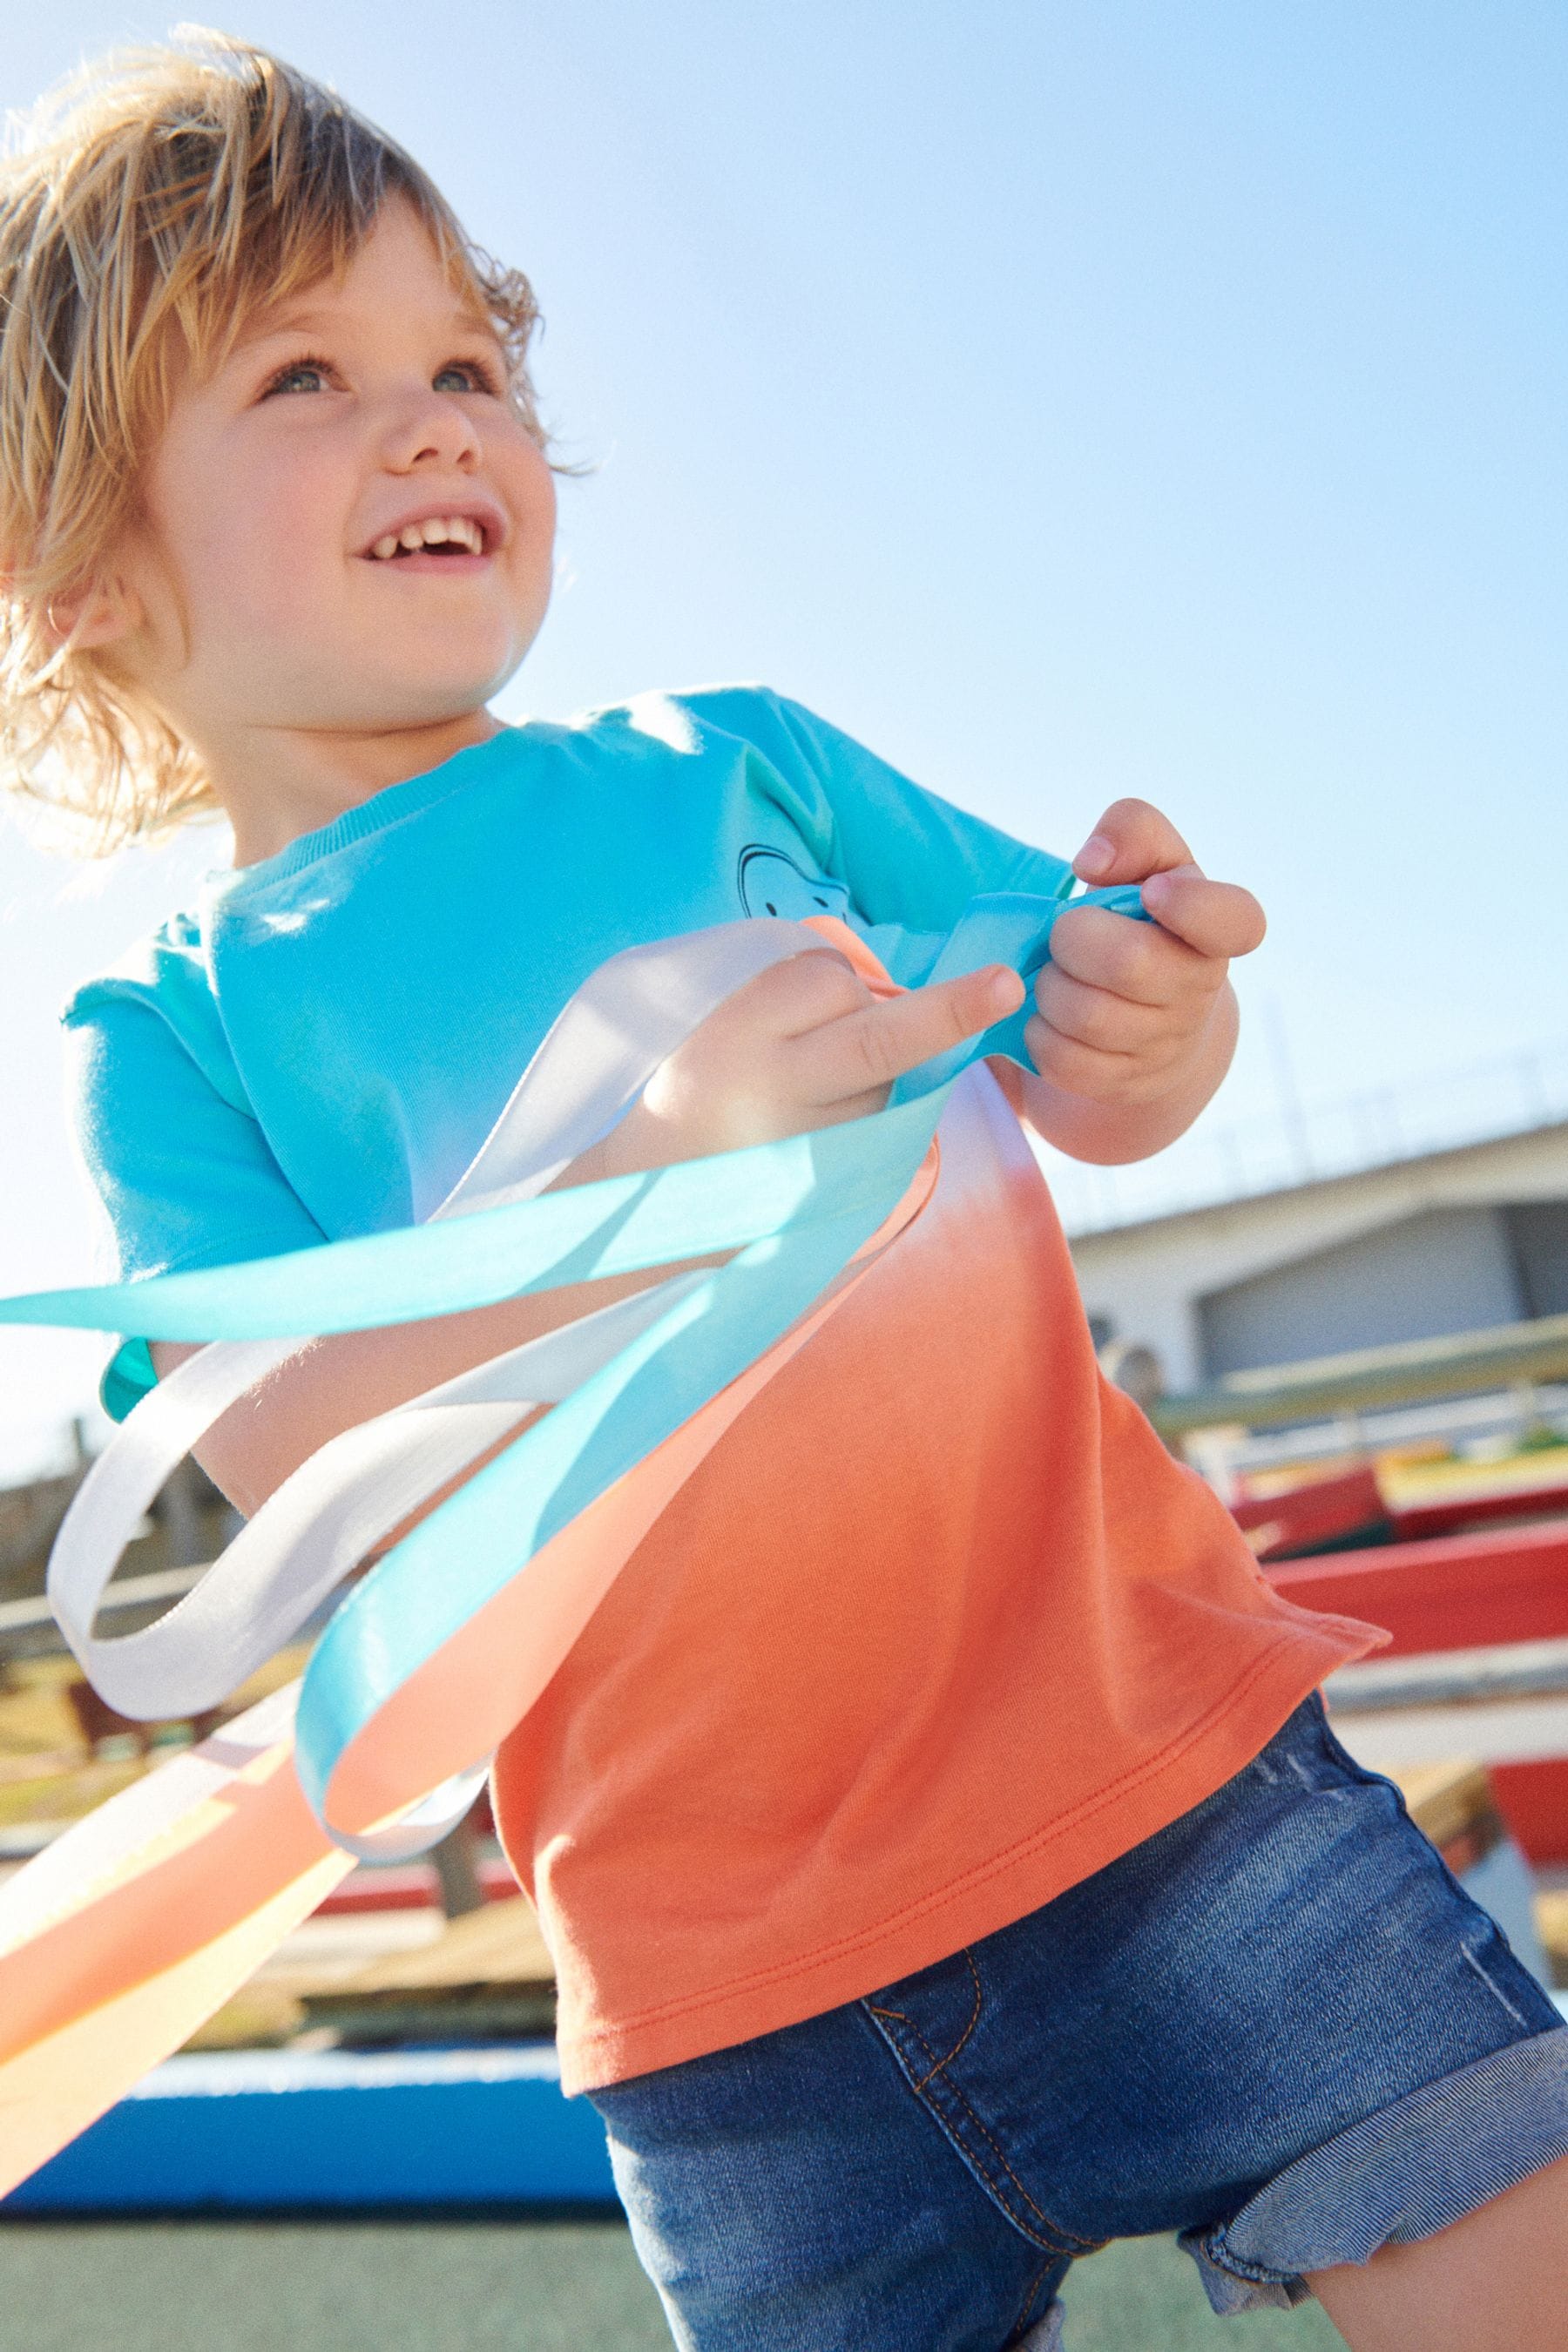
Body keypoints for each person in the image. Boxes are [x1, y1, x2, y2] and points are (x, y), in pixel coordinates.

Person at [2, 32, 1563, 2351]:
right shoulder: (177, 1035)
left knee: (1511, 2253)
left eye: (468, 356)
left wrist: (1159, 1012)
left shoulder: (740, 763)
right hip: (726, 1992)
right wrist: (649, 1168)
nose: (437, 419)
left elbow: (1088, 1056)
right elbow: (290, 1465)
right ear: (84, 568)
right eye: (307, 374)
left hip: (1165, 1787)